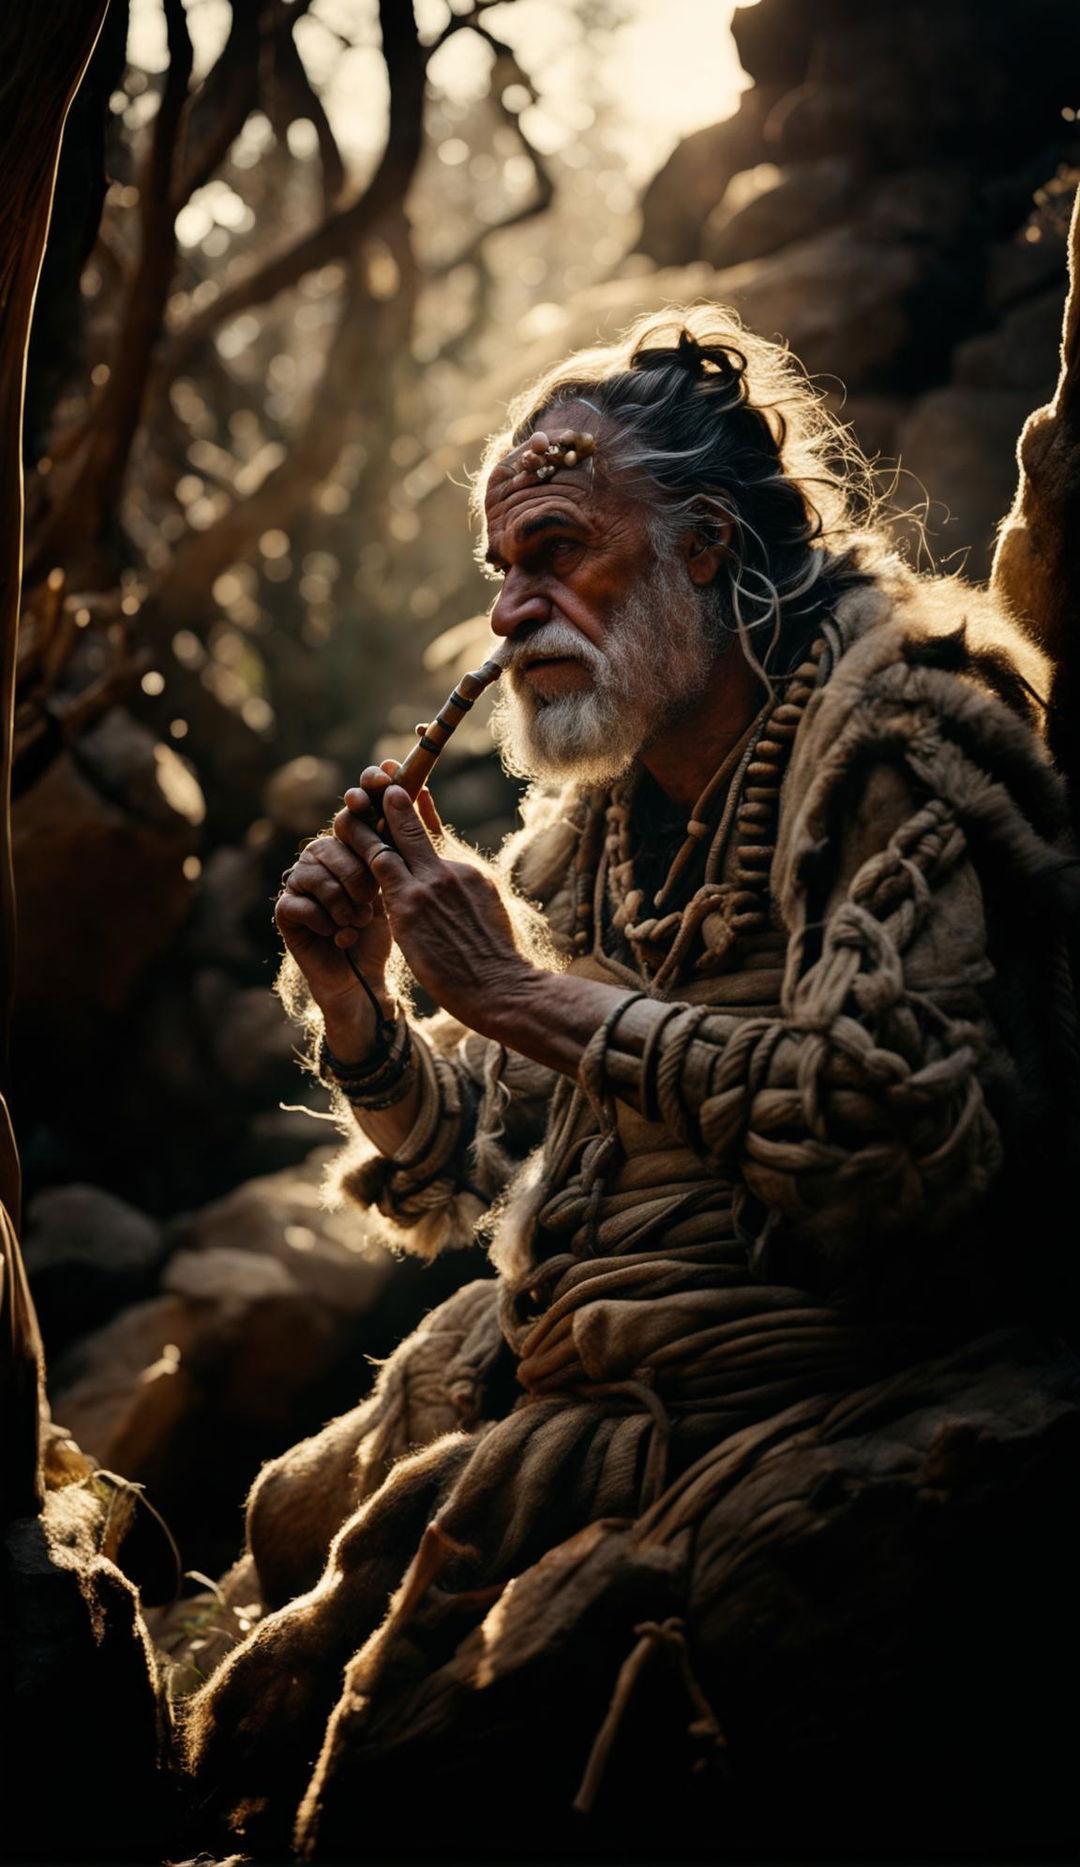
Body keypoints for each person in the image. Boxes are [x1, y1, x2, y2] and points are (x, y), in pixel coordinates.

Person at [184, 310, 1080, 1860]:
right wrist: (365, 1007)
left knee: (418, 1764)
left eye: (557, 554)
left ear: (705, 542)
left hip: (811, 1373)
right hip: (577, 1359)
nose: (513, 614)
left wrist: (524, 990)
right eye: (500, 575)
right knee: (280, 1552)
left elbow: (902, 1131)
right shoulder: (600, 819)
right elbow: (469, 1171)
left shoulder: (905, 727)